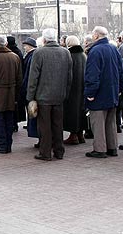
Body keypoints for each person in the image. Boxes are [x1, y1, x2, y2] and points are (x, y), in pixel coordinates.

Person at [26, 28, 73, 161]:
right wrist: (66, 93)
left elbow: (33, 77)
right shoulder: (65, 52)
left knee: (44, 126)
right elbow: (69, 76)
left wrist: (30, 96)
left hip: (43, 96)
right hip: (59, 95)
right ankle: (59, 151)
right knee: (58, 124)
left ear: (44, 39)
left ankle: (45, 152)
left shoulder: (39, 52)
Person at [84, 26, 123, 159]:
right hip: (112, 91)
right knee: (110, 122)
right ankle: (112, 147)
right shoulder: (114, 49)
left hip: (99, 93)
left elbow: (92, 75)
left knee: (98, 123)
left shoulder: (95, 51)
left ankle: (100, 148)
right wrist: (120, 89)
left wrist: (90, 93)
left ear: (96, 36)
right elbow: (121, 72)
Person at [63, 35, 87, 145]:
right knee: (81, 111)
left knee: (72, 112)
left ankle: (73, 136)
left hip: (72, 88)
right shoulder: (83, 55)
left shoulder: (70, 55)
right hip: (83, 88)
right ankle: (80, 134)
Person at [21, 38, 39, 144]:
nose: (24, 47)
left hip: (31, 90)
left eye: (26, 45)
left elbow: (29, 76)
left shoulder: (32, 57)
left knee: (34, 114)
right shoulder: (31, 56)